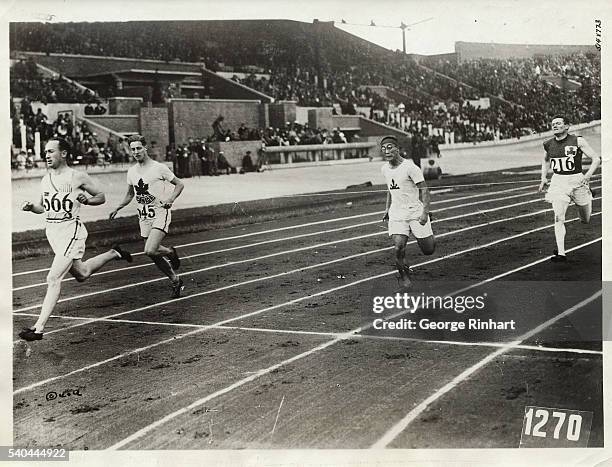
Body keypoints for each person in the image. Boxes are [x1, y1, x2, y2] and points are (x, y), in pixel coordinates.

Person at [19, 138, 133, 341]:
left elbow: (101, 196)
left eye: (51, 151)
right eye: (45, 152)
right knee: (82, 273)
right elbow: (42, 207)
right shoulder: (46, 179)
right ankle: (114, 253)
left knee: (53, 278)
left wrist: (87, 200)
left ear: (63, 153)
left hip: (71, 230)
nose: (46, 155)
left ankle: (38, 328)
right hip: (53, 233)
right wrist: (31, 207)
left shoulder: (77, 176)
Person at [109, 135, 185, 297]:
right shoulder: (131, 171)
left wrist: (170, 199)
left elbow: (180, 184)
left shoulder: (159, 168)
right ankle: (175, 280)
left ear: (145, 148)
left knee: (150, 250)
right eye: (133, 149)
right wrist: (118, 207)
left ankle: (171, 252)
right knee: (154, 254)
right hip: (144, 216)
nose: (136, 152)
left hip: (160, 212)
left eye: (138, 148)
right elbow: (130, 194)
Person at [538, 115, 600, 262]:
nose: (555, 125)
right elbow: (546, 160)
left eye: (558, 123)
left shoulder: (577, 140)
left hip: (577, 180)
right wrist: (543, 177)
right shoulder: (548, 144)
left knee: (585, 219)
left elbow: (596, 158)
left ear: (567, 126)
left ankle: (589, 194)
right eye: (553, 124)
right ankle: (561, 253)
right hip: (558, 181)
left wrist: (588, 175)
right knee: (558, 217)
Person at [381, 136, 435, 289]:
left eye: (390, 147)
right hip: (397, 213)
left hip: (415, 212)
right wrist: (387, 209)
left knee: (428, 249)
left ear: (397, 148)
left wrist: (425, 212)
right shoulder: (384, 169)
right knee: (398, 247)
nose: (387, 151)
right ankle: (404, 278)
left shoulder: (411, 167)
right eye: (383, 148)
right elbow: (390, 189)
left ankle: (429, 227)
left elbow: (424, 189)